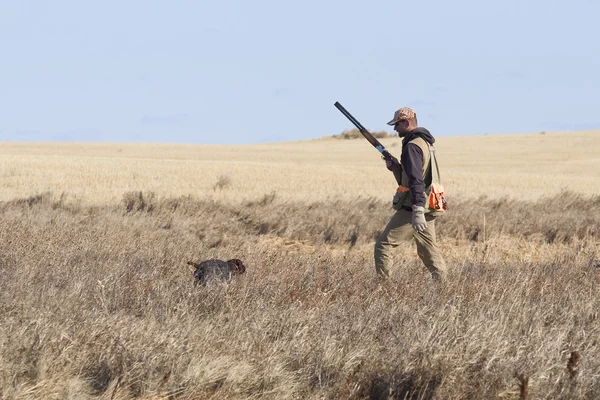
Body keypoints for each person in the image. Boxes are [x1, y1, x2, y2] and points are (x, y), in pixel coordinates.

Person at [374, 107, 447, 282]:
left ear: (407, 123)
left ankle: (384, 289)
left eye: (397, 124)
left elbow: (416, 182)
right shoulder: (425, 143)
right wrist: (396, 169)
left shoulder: (412, 147)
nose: (394, 129)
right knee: (428, 250)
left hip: (415, 206)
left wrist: (418, 211)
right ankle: (443, 286)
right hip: (430, 202)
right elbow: (416, 176)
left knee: (383, 245)